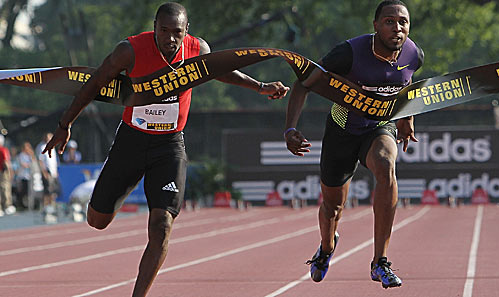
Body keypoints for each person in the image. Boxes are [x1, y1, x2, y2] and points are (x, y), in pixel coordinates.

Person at [42, 2, 289, 296]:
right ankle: (114, 195)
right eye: (164, 31)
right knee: (97, 221)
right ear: (154, 27)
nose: (170, 39)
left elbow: (220, 72)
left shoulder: (198, 50)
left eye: (177, 33)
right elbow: (95, 82)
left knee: (161, 225)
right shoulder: (130, 50)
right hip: (131, 140)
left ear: (187, 31)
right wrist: (65, 123)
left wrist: (260, 86)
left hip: (169, 145)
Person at [284, 0, 423, 289]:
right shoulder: (349, 53)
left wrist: (407, 116)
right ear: (375, 26)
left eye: (403, 22)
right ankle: (325, 247)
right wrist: (291, 128)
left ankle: (380, 261)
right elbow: (303, 82)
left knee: (386, 167)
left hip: (378, 128)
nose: (397, 28)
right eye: (389, 21)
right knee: (333, 207)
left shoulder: (414, 54)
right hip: (342, 130)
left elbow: (406, 85)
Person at [37, 133, 61, 223]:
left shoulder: (53, 147)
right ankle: (46, 208)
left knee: (53, 191)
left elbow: (54, 161)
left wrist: (56, 171)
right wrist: (44, 172)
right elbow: (41, 160)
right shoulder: (42, 147)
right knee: (47, 191)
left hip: (53, 172)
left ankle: (52, 207)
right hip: (47, 172)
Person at [0, 134, 16, 216]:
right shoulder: (3, 149)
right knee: (5, 188)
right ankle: (7, 206)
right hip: (3, 172)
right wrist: (10, 172)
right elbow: (6, 162)